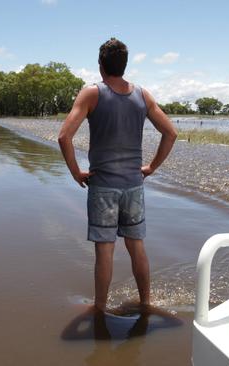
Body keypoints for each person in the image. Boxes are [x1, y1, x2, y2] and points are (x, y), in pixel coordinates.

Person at [58, 38, 177, 312]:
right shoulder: (142, 95)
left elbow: (64, 136)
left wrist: (76, 172)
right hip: (134, 185)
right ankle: (146, 302)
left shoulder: (92, 93)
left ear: (101, 66)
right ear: (124, 66)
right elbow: (171, 133)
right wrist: (151, 168)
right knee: (137, 247)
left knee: (105, 251)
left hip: (103, 187)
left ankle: (99, 308)